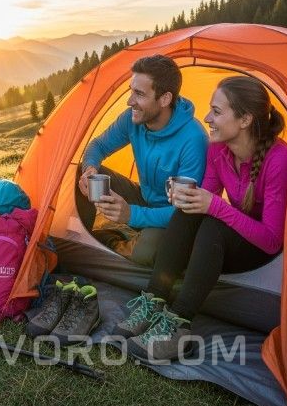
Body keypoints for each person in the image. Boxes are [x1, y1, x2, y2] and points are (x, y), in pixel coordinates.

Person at [116, 75, 287, 361]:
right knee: (190, 210)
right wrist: (183, 197)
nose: (207, 117)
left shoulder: (280, 159)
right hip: (227, 241)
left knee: (213, 223)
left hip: (261, 251)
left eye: (217, 111)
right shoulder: (217, 148)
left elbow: (272, 240)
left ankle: (179, 324)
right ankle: (154, 300)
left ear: (245, 120)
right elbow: (205, 201)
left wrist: (214, 206)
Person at [76, 54, 208, 266]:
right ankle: (89, 237)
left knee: (145, 254)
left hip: (171, 216)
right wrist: (89, 170)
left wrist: (131, 215)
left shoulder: (193, 139)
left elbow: (185, 211)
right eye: (131, 91)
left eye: (139, 94)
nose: (130, 101)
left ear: (165, 99)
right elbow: (98, 146)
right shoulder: (132, 118)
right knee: (82, 174)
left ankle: (115, 241)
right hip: (142, 197)